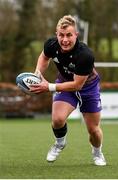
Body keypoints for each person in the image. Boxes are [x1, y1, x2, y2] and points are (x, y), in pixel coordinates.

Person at [30, 15, 106, 166]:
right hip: (65, 83)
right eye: (61, 35)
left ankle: (97, 153)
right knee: (57, 120)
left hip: (88, 87)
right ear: (56, 34)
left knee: (93, 130)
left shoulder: (85, 55)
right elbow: (44, 58)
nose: (65, 40)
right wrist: (37, 73)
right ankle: (60, 143)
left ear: (76, 35)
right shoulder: (52, 44)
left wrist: (49, 87)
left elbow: (77, 85)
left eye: (69, 35)